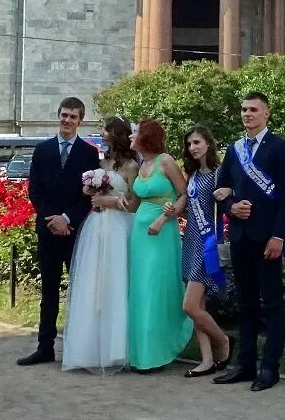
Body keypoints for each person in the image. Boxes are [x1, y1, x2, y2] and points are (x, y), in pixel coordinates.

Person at [212, 92, 285, 391]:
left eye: (253, 110)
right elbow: (221, 188)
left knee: (272, 304)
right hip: (240, 235)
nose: (247, 114)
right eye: (244, 109)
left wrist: (278, 236)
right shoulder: (234, 150)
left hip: (267, 239)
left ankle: (270, 368)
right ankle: (245, 364)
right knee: (246, 302)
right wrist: (231, 206)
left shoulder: (280, 147)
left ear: (266, 114)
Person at [19, 98, 101, 365]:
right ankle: (45, 347)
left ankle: (79, 348)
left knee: (79, 290)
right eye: (64, 115)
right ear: (58, 116)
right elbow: (35, 190)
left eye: (73, 117)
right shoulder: (42, 150)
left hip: (75, 231)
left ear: (81, 120)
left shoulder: (88, 153)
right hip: (47, 229)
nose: (67, 120)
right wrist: (51, 219)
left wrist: (67, 219)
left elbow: (88, 195)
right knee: (49, 291)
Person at [60, 116, 137, 372]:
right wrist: (91, 190)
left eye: (106, 131)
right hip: (96, 227)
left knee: (116, 281)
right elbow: (89, 191)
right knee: (92, 283)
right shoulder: (101, 162)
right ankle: (89, 347)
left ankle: (117, 348)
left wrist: (109, 202)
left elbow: (133, 203)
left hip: (118, 226)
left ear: (117, 135)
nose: (102, 135)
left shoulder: (130, 166)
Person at [125, 119, 193, 372]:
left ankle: (159, 352)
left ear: (147, 136)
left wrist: (165, 217)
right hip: (140, 234)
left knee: (156, 287)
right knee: (141, 289)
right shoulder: (142, 163)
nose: (131, 136)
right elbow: (134, 200)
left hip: (161, 232)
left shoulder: (165, 161)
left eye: (136, 132)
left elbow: (185, 194)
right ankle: (141, 353)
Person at [170, 126, 231, 377]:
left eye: (197, 142)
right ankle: (206, 360)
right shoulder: (193, 174)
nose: (193, 147)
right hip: (192, 241)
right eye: (189, 144)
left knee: (189, 306)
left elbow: (230, 199)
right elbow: (189, 208)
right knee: (200, 305)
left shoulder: (219, 173)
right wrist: (173, 211)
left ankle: (224, 341)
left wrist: (229, 191)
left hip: (208, 244)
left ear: (208, 144)